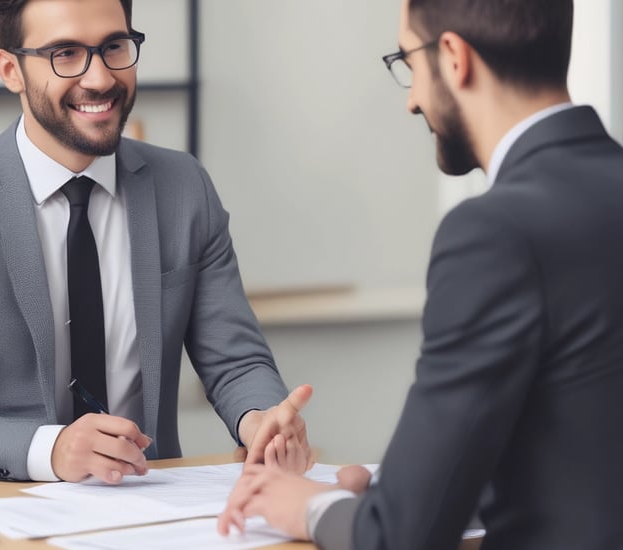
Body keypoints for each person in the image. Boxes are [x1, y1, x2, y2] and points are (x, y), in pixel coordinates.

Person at [219, 0, 623, 548]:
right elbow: (584, 438)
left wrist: (310, 507)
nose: (411, 99)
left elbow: (404, 537)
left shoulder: (494, 232)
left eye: (408, 63)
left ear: (454, 57)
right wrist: (390, 487)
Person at [0, 0, 310, 484]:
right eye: (66, 53)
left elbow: (236, 361)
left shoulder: (184, 186)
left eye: (114, 46)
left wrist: (262, 420)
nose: (99, 78)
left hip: (153, 507)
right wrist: (50, 448)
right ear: (10, 69)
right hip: (4, 514)